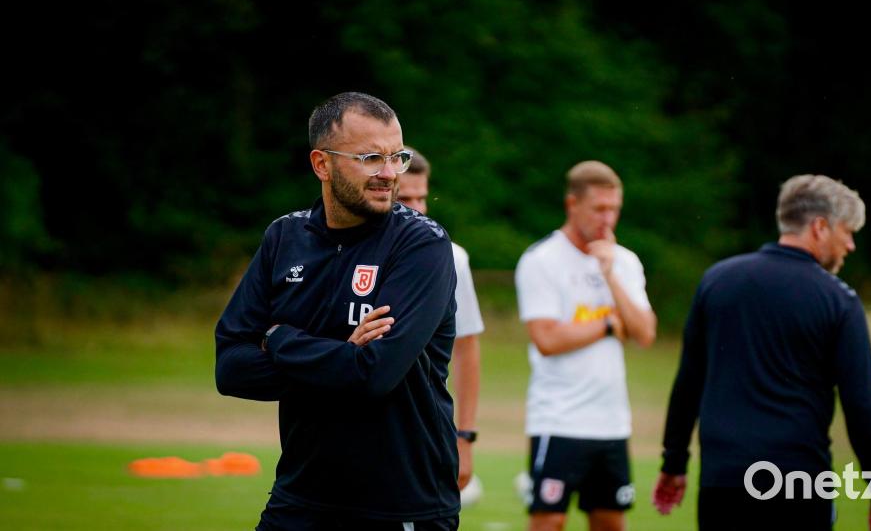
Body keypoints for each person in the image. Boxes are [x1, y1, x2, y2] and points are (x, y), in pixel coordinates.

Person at [215, 92, 460, 530]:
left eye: (396, 157)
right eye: (370, 158)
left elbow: (375, 374)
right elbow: (231, 367)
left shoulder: (421, 246)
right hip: (301, 498)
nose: (389, 174)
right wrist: (341, 356)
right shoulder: (283, 238)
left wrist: (278, 338)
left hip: (402, 506)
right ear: (322, 164)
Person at [654, 174, 871, 531]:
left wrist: (673, 462)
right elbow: (862, 405)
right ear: (819, 227)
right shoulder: (838, 301)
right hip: (798, 482)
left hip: (724, 481)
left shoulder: (717, 281)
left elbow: (689, 381)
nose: (850, 245)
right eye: (847, 232)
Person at [515, 161, 657, 531]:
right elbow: (547, 339)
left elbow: (644, 333)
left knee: (610, 520)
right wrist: (610, 323)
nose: (607, 218)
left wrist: (610, 275)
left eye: (614, 209)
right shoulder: (541, 260)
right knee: (549, 521)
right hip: (559, 419)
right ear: (571, 205)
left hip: (611, 423)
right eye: (599, 209)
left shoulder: (624, 262)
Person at [397, 148, 485, 496]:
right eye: (405, 198)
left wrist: (464, 437)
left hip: (425, 432)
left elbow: (467, 349)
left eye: (422, 197)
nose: (418, 208)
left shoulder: (452, 258)